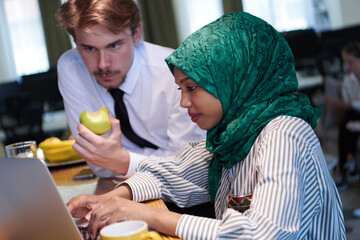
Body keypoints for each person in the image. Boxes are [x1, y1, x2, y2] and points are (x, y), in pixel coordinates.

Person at [67, 12, 346, 239]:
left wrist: (148, 215)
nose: (183, 102)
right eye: (180, 90)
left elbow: (260, 235)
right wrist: (113, 198)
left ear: (232, 79)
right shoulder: (232, 135)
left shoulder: (285, 134)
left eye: (192, 88)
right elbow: (175, 173)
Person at [55, 0, 205, 178]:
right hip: (122, 186)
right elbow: (99, 165)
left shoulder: (175, 73)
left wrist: (121, 160)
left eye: (114, 45)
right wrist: (119, 160)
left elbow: (188, 168)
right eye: (89, 48)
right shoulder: (72, 68)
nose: (103, 64)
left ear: (137, 34)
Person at [325, 41, 360, 190]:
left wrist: (351, 105)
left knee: (349, 116)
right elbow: (348, 103)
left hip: (355, 115)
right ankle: (349, 161)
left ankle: (344, 170)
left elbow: (351, 104)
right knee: (348, 118)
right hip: (354, 115)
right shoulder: (348, 80)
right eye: (346, 63)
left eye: (351, 62)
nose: (348, 67)